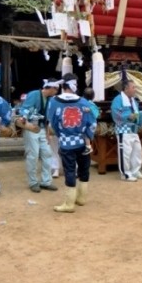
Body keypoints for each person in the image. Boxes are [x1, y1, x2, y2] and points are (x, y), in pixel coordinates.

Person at [46, 73, 96, 213]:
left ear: (63, 85)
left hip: (66, 142)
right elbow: (92, 123)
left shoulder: (54, 101)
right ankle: (81, 198)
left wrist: (61, 133)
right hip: (82, 141)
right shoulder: (84, 102)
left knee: (70, 170)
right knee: (84, 169)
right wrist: (87, 137)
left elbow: (53, 122)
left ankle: (69, 203)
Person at [19, 78, 62, 193]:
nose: (56, 92)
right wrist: (24, 119)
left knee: (47, 153)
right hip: (31, 127)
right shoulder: (34, 94)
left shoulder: (49, 99)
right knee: (33, 154)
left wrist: (48, 133)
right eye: (56, 89)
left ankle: (46, 181)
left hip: (42, 128)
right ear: (51, 88)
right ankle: (33, 182)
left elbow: (47, 118)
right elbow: (24, 109)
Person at [111, 80, 142, 182]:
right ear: (126, 89)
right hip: (123, 130)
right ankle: (125, 174)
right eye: (133, 87)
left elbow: (136, 113)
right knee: (125, 153)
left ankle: (135, 171)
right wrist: (129, 116)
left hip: (133, 130)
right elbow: (116, 113)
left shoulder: (133, 100)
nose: (135, 89)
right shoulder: (118, 99)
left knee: (137, 152)